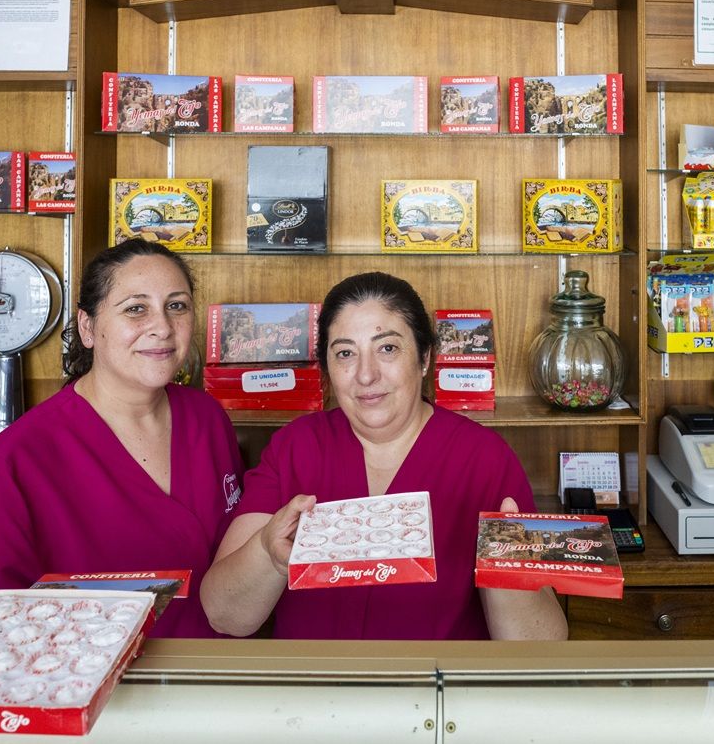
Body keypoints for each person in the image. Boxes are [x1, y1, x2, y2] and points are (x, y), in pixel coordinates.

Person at [200, 272, 568, 640]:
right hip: (312, 690)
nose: (365, 375)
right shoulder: (295, 447)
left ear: (424, 358)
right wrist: (269, 553)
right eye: (345, 353)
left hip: (437, 691)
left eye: (387, 348)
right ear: (327, 369)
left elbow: (543, 645)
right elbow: (224, 616)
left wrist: (506, 572)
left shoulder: (485, 459)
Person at [0, 239, 243, 638]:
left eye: (177, 306)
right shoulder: (17, 460)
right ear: (88, 327)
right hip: (98, 686)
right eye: (136, 309)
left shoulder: (206, 418)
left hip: (220, 676)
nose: (162, 327)